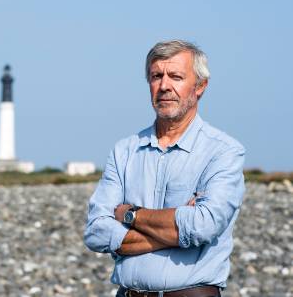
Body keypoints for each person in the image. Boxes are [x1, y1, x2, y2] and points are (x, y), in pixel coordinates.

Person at [84, 40, 245, 297]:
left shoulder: (223, 151)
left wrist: (130, 215)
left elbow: (204, 226)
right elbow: (96, 232)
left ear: (200, 86)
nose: (164, 86)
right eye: (156, 76)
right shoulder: (124, 151)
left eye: (176, 76)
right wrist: (176, 228)